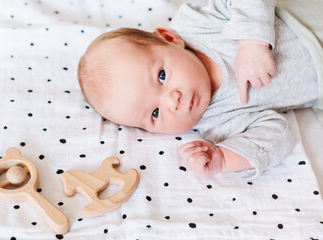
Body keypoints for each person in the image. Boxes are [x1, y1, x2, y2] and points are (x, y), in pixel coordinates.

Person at [77, 0, 323, 179]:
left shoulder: (197, 23)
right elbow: (278, 134)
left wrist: (251, 43)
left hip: (308, 20)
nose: (173, 101)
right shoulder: (217, 125)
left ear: (169, 39)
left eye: (162, 76)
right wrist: (225, 158)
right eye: (155, 113)